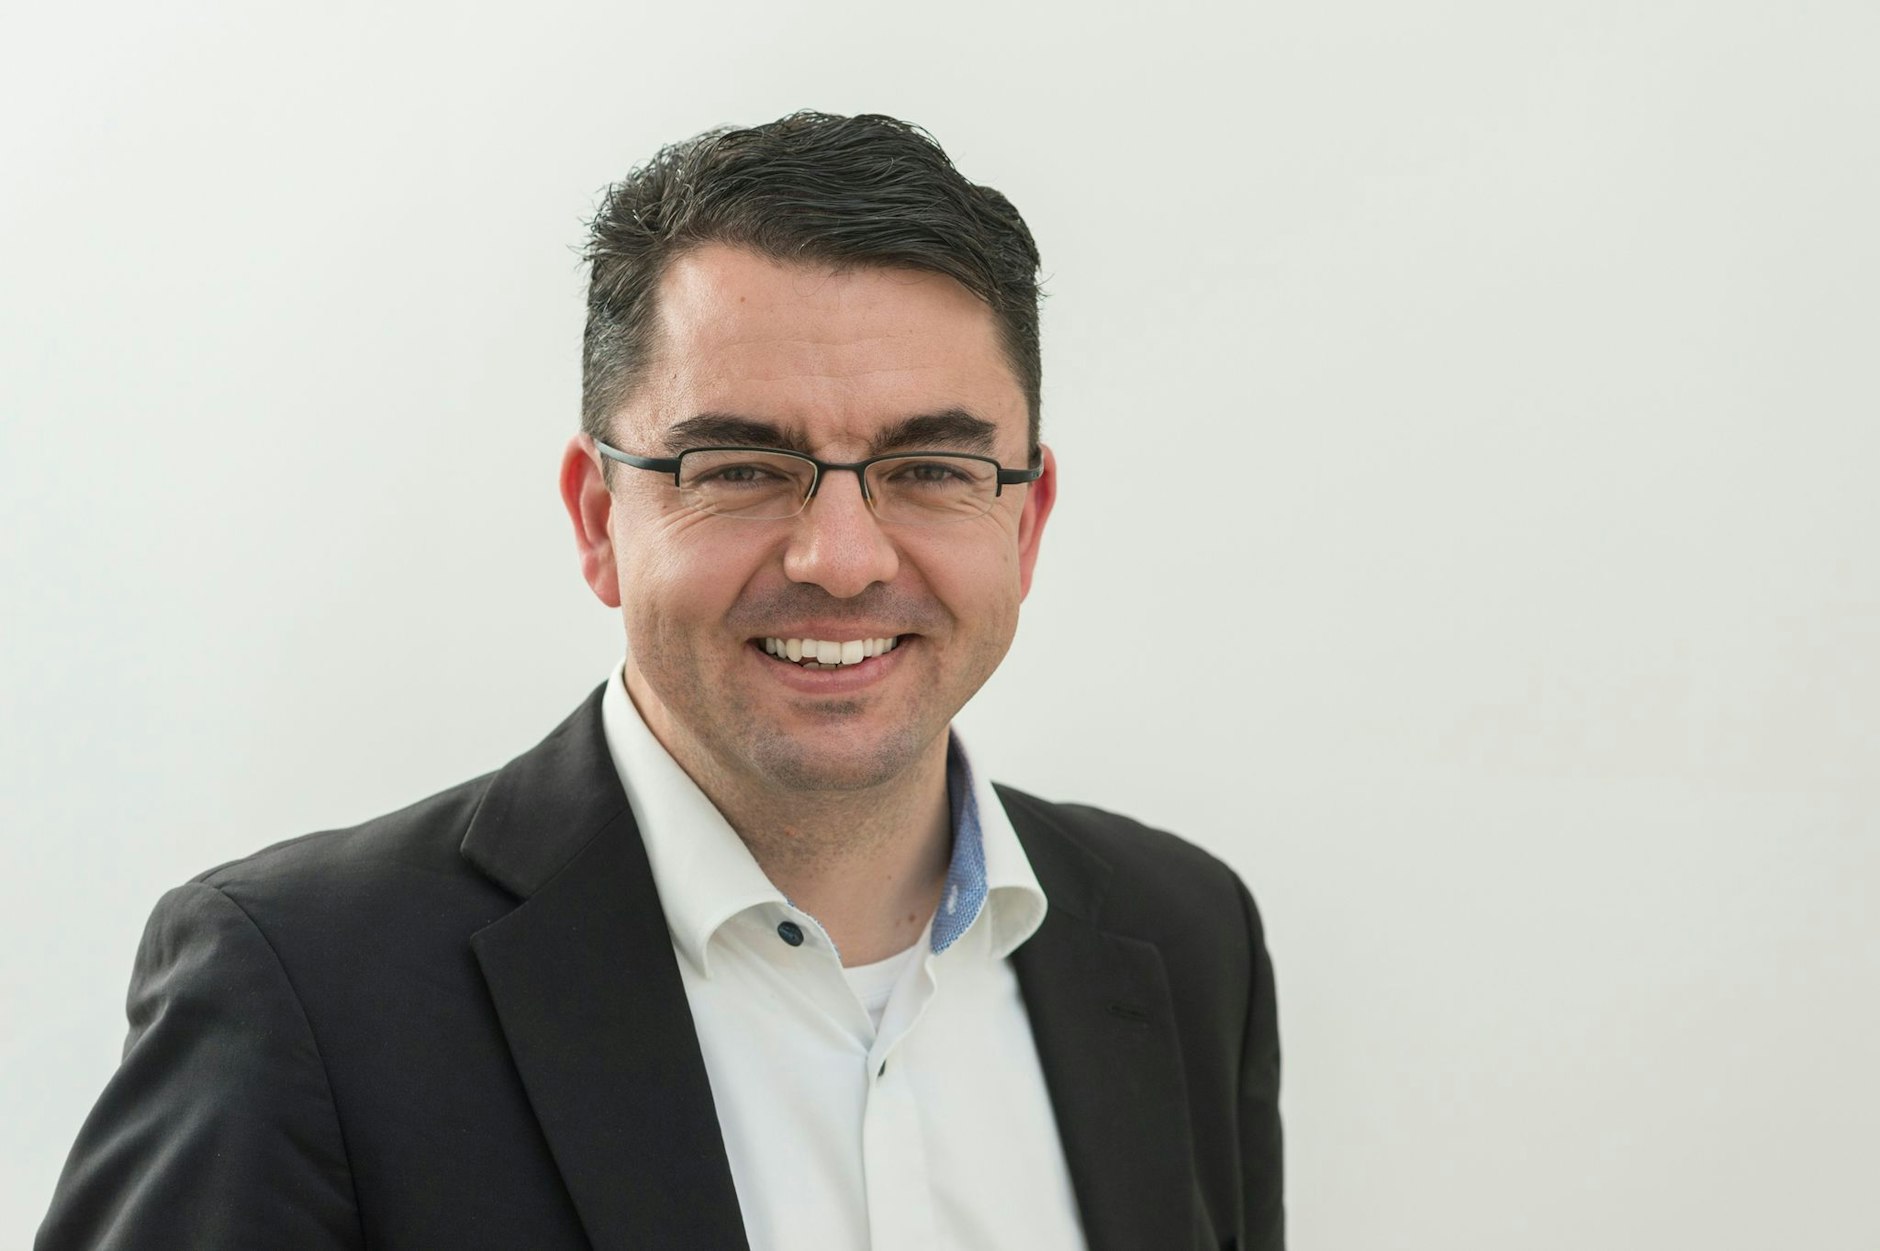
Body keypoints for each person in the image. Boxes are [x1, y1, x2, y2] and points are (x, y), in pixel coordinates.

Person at [38, 111, 1283, 1251]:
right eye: (739, 468)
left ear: (1025, 521)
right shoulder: (301, 989)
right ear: (598, 518)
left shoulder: (1185, 938)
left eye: (929, 471)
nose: (841, 560)